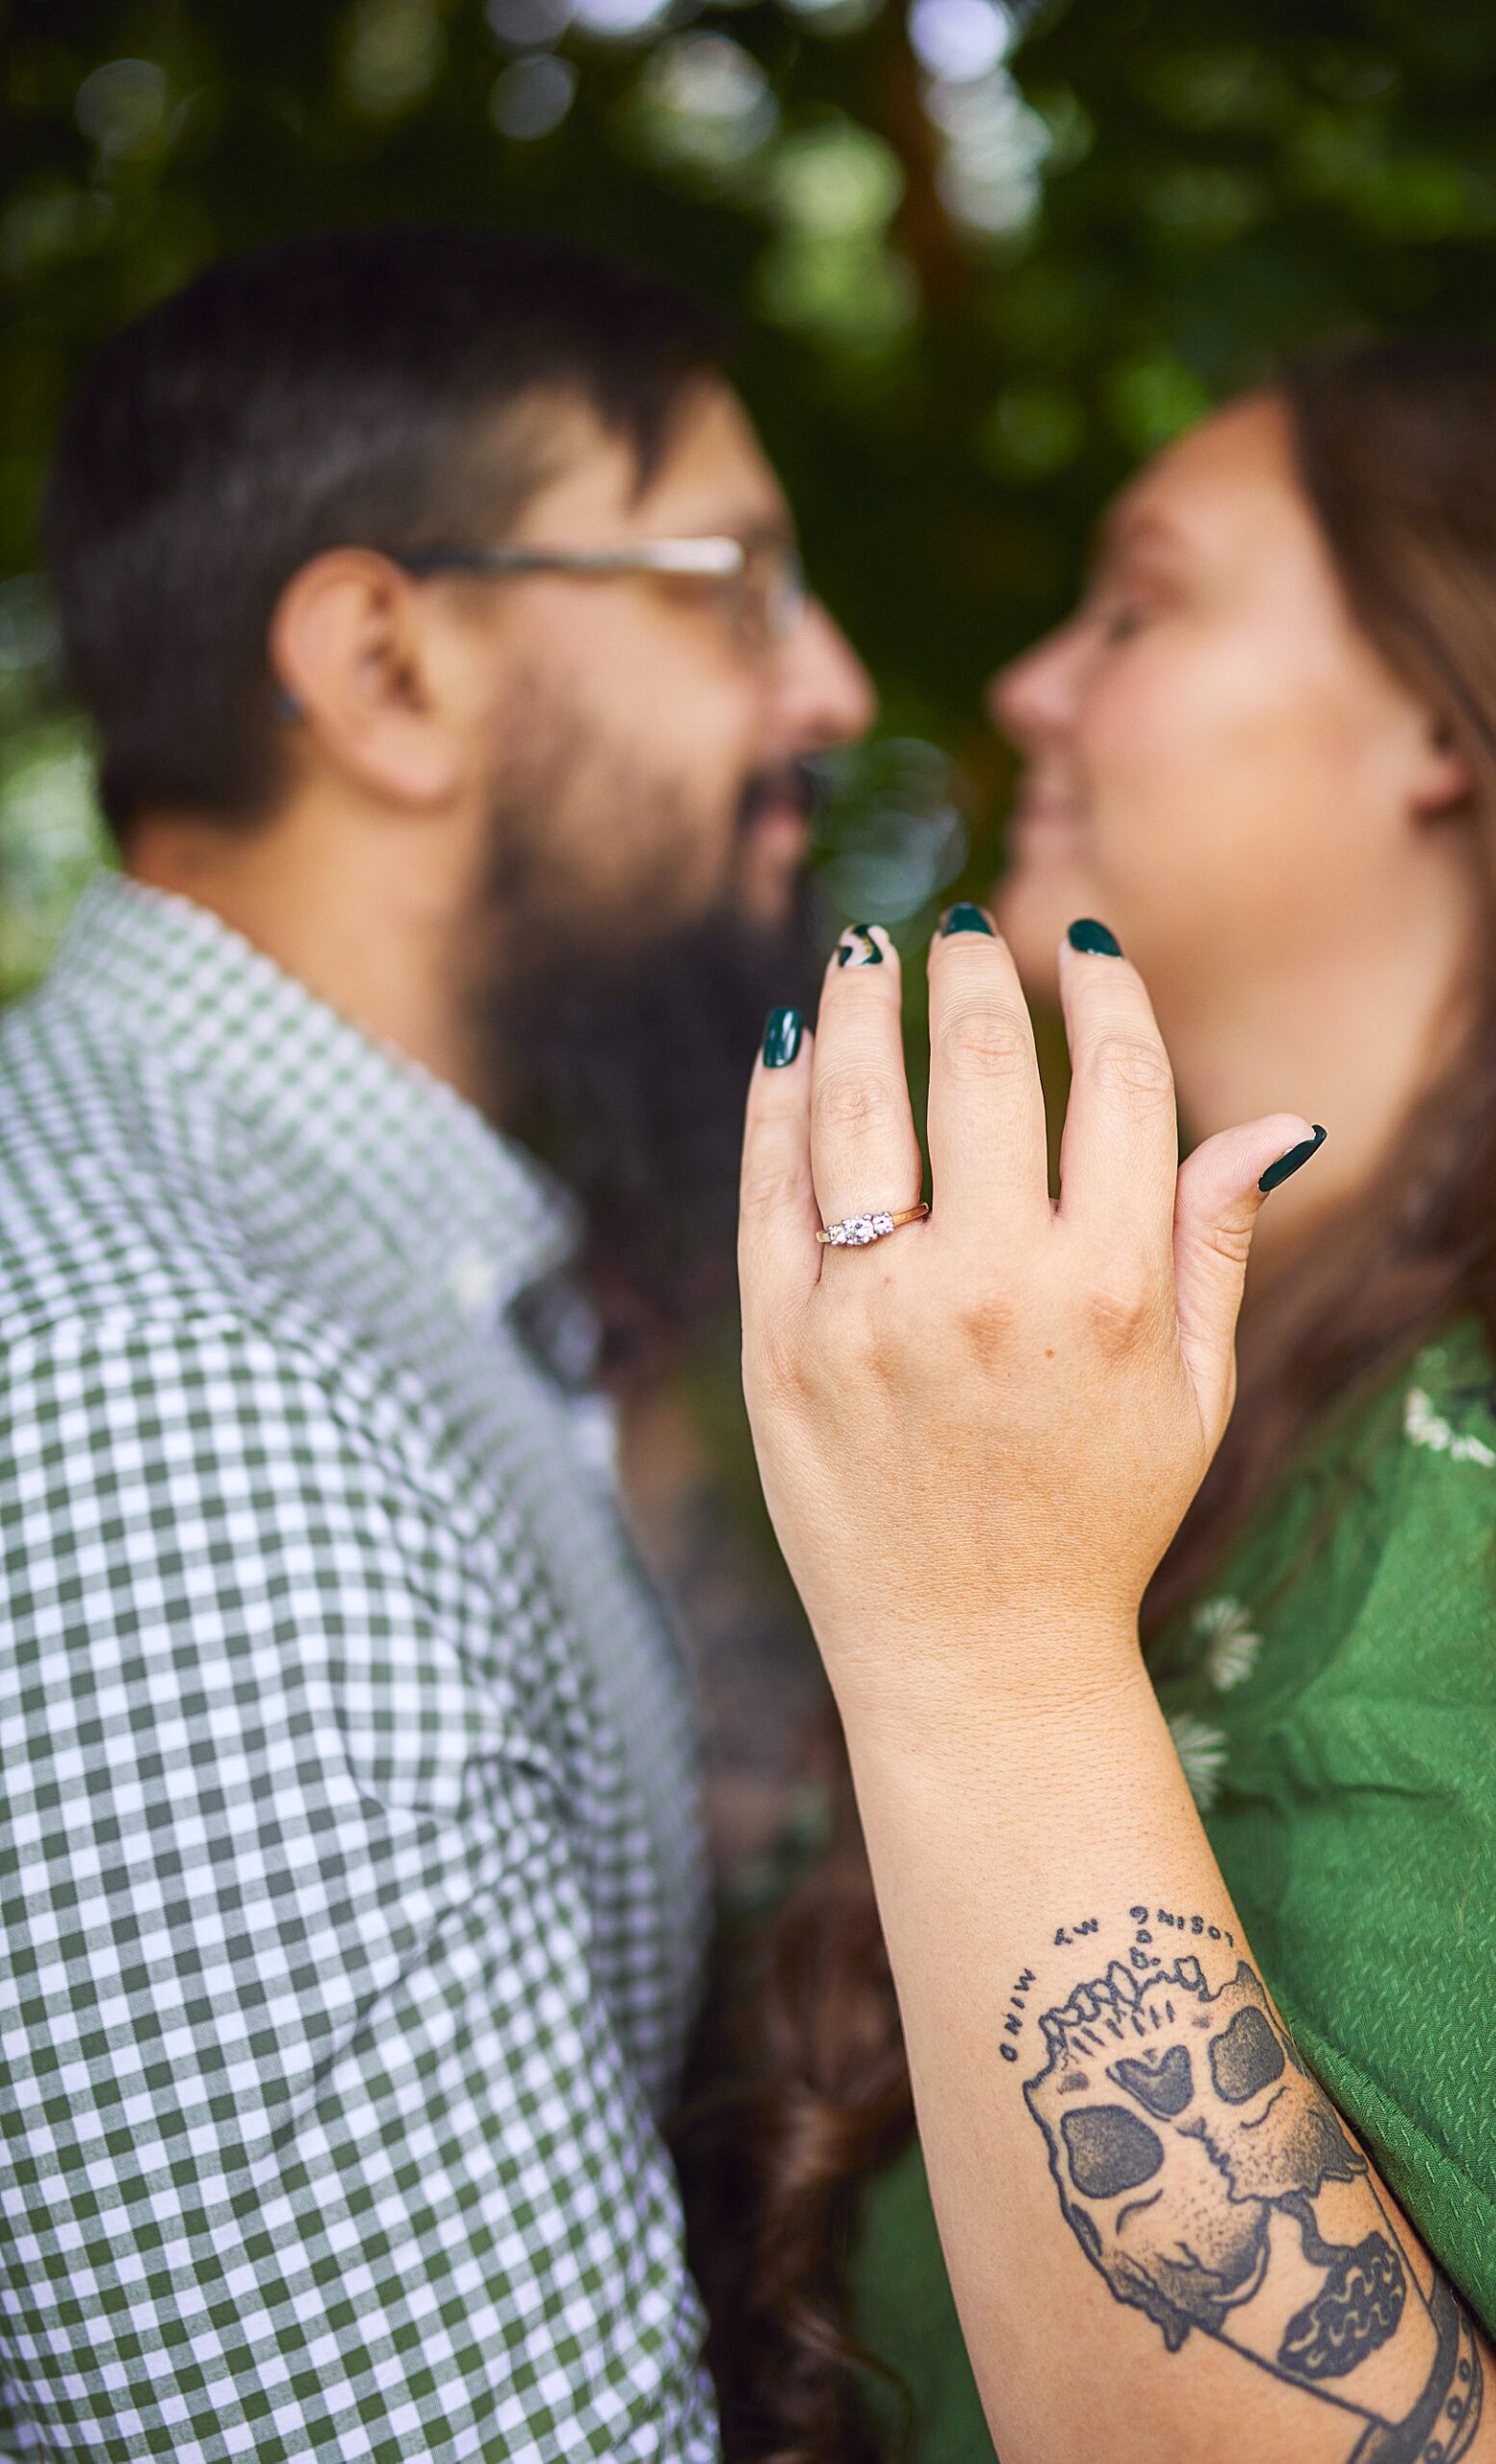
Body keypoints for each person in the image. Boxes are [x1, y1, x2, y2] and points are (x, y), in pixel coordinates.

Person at [724, 342, 1496, 2464]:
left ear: (1448, 708)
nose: (1034, 684)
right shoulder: (1197, 1397)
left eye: (1139, 604)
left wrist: (983, 1657)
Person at [0, 223, 870, 2457]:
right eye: (735, 585)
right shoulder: (185, 1409)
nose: (833, 689)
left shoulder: (346, 1269)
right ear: (385, 666)